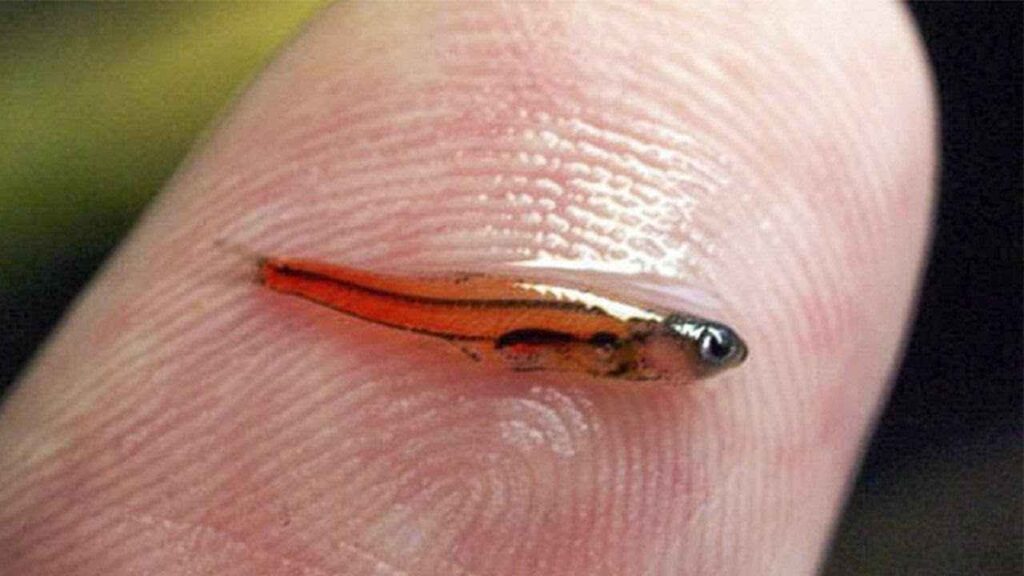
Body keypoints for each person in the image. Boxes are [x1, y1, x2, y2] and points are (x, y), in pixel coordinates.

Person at [0, 3, 935, 574]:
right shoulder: (620, 340)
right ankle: (286, 277)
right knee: (381, 298)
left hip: (502, 319)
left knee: (392, 301)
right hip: (490, 315)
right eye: (704, 347)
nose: (705, 362)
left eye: (709, 349)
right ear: (664, 345)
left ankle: (289, 277)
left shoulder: (621, 347)